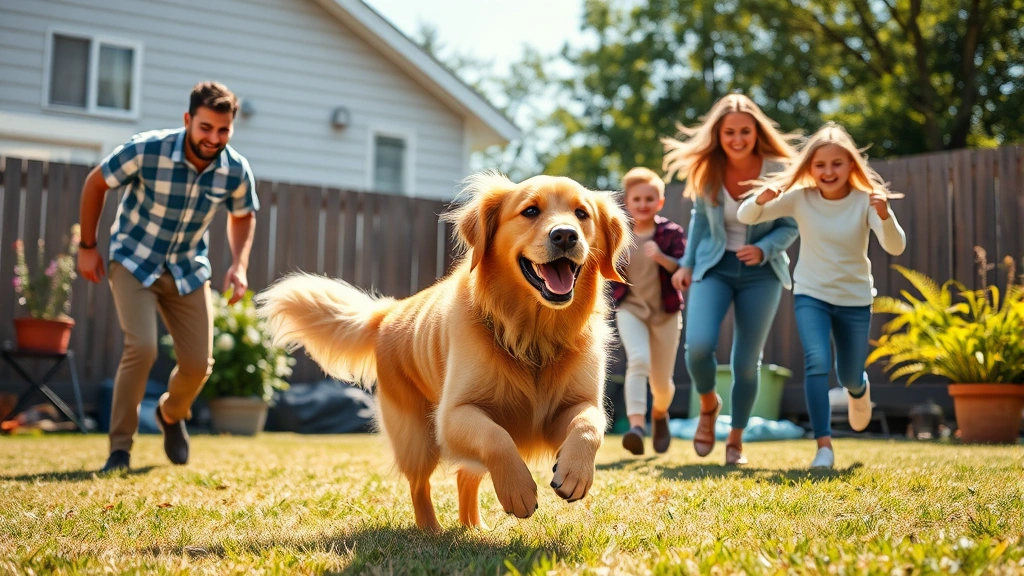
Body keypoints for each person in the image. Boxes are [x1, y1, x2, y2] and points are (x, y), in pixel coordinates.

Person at [77, 81, 259, 473]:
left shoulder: (234, 170)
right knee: (141, 348)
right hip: (133, 259)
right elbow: (96, 182)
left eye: (223, 130)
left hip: (187, 268)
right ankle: (120, 449)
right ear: (188, 120)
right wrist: (87, 246)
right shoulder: (146, 149)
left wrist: (238, 264)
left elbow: (243, 215)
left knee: (197, 364)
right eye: (205, 127)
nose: (214, 138)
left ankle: (171, 415)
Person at [738, 122, 906, 468]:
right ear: (810, 168)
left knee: (848, 375)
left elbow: (896, 246)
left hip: (855, 299)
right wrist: (762, 198)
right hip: (811, 294)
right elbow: (747, 215)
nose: (828, 172)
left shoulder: (864, 201)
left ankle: (859, 390)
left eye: (837, 164)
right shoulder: (801, 198)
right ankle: (824, 447)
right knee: (816, 361)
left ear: (851, 167)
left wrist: (885, 214)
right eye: (820, 165)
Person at [663, 94, 801, 465]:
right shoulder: (710, 169)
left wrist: (766, 248)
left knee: (745, 362)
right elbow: (697, 220)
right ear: (718, 134)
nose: (737, 139)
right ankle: (709, 406)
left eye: (745, 131)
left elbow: (791, 224)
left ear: (757, 131)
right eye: (729, 133)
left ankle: (735, 440)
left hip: (762, 274)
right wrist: (687, 264)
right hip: (715, 266)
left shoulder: (779, 169)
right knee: (698, 346)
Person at [609, 167, 686, 455]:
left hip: (665, 314)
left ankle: (659, 414)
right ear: (627, 203)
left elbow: (682, 268)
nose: (643, 204)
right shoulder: (621, 236)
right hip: (632, 309)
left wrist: (662, 257)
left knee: (662, 382)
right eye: (637, 199)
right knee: (638, 360)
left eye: (649, 199)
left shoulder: (671, 233)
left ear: (660, 202)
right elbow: (607, 270)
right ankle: (637, 427)